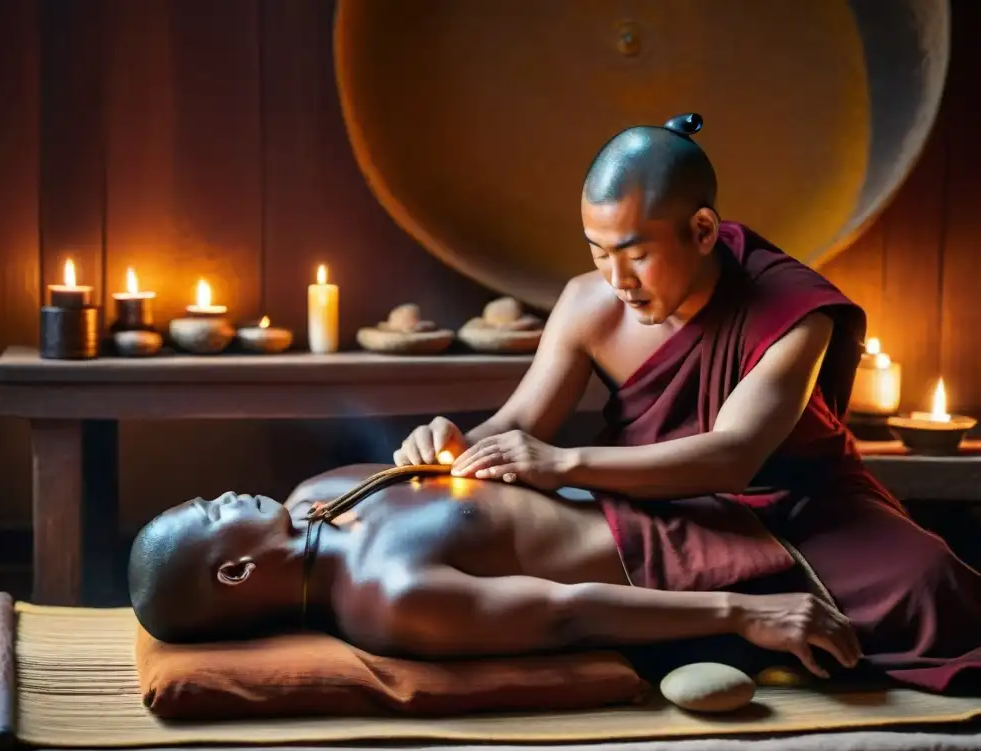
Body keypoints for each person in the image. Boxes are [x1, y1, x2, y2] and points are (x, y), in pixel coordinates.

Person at [392, 113, 981, 693]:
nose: (617, 279)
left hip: (804, 511)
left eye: (635, 253)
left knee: (932, 587)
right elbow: (519, 423)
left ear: (702, 231)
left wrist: (562, 463)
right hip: (655, 506)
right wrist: (458, 441)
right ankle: (739, 631)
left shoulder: (795, 310)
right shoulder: (588, 304)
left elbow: (732, 457)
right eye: (598, 251)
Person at [128, 464, 862, 683]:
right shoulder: (390, 598)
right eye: (211, 509)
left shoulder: (310, 499)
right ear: (234, 573)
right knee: (926, 599)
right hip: (674, 553)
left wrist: (445, 444)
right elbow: (568, 611)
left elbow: (448, 478)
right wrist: (743, 614)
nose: (225, 492)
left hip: (651, 479)